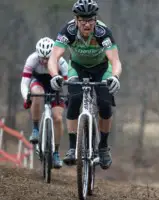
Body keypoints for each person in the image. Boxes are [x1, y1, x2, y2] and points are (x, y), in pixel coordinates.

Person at [47, 0, 122, 170]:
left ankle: (102, 147)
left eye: (91, 20)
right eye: (83, 20)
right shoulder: (68, 31)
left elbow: (115, 60)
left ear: (95, 20)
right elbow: (54, 57)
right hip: (77, 68)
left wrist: (115, 77)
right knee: (74, 100)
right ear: (76, 20)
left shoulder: (103, 32)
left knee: (104, 104)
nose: (87, 24)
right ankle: (73, 147)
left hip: (102, 68)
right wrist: (55, 75)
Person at [20, 37, 68, 169]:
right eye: (43, 58)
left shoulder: (61, 62)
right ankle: (35, 129)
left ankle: (56, 153)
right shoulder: (32, 59)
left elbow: (68, 84)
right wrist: (26, 98)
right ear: (38, 54)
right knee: (37, 93)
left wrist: (70, 97)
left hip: (55, 86)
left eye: (48, 58)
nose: (45, 61)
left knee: (58, 118)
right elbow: (24, 83)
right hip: (39, 82)